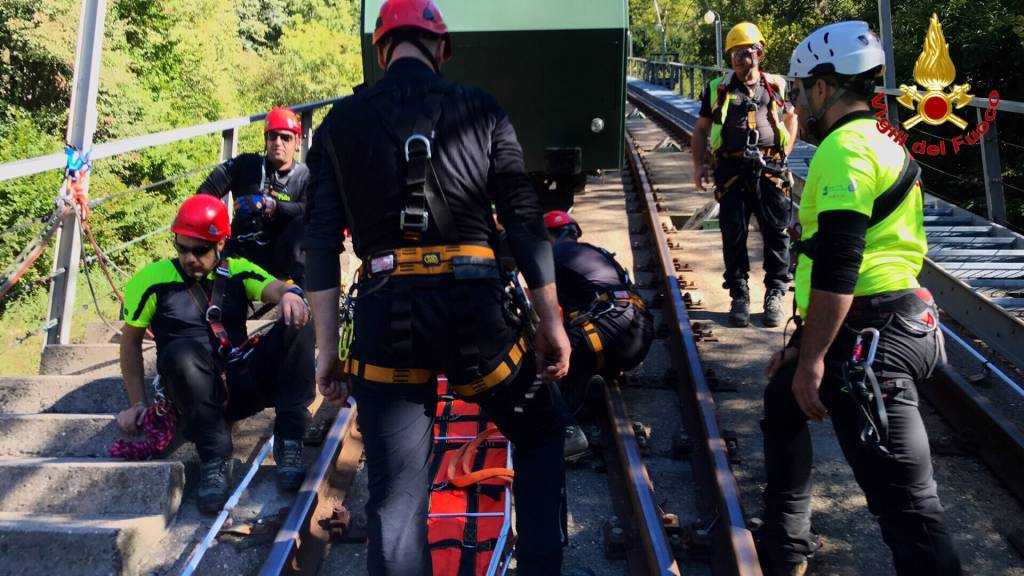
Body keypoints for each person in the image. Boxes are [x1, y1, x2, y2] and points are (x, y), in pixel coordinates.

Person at [303, 1, 571, 574]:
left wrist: (327, 350)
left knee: (397, 497)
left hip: (383, 321)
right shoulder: (482, 108)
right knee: (542, 429)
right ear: (442, 50)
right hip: (477, 317)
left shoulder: (337, 125)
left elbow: (320, 244)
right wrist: (551, 322)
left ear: (380, 53)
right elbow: (523, 221)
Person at [757, 21, 962, 576]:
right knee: (782, 400)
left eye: (800, 89)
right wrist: (803, 347)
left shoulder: (842, 152)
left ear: (823, 88)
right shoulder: (885, 139)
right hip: (898, 322)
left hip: (873, 339)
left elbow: (841, 260)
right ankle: (785, 543)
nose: (797, 100)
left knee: (910, 514)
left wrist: (815, 359)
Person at [116, 195, 315, 513]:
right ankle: (213, 459)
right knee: (180, 352)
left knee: (300, 321)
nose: (190, 258)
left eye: (200, 250)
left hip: (240, 379)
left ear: (221, 243)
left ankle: (290, 440)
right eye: (182, 249)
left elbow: (275, 287)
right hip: (191, 386)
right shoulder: (150, 281)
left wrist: (291, 294)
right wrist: (137, 403)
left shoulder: (236, 270)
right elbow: (130, 344)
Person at [691, 22, 798, 328]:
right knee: (733, 233)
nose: (738, 58)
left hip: (771, 170)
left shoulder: (775, 86)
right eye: (734, 53)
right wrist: (698, 165)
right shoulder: (719, 89)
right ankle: (739, 295)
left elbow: (792, 118)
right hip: (732, 170)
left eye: (744, 52)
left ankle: (775, 293)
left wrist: (786, 151)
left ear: (759, 52)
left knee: (777, 233)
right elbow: (700, 130)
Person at [545, 210, 653, 460]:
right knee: (574, 339)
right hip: (640, 333)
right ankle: (587, 388)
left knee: (546, 357)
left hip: (609, 329)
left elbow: (541, 309)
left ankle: (567, 432)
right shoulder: (595, 252)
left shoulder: (552, 255)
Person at [198, 107, 309, 285]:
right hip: (240, 249)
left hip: (280, 257)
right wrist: (216, 228)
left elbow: (309, 209)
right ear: (266, 140)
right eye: (272, 136)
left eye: (285, 137)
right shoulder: (246, 165)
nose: (278, 142)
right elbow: (206, 191)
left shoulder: (305, 176)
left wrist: (271, 206)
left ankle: (304, 297)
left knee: (306, 223)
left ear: (297, 143)